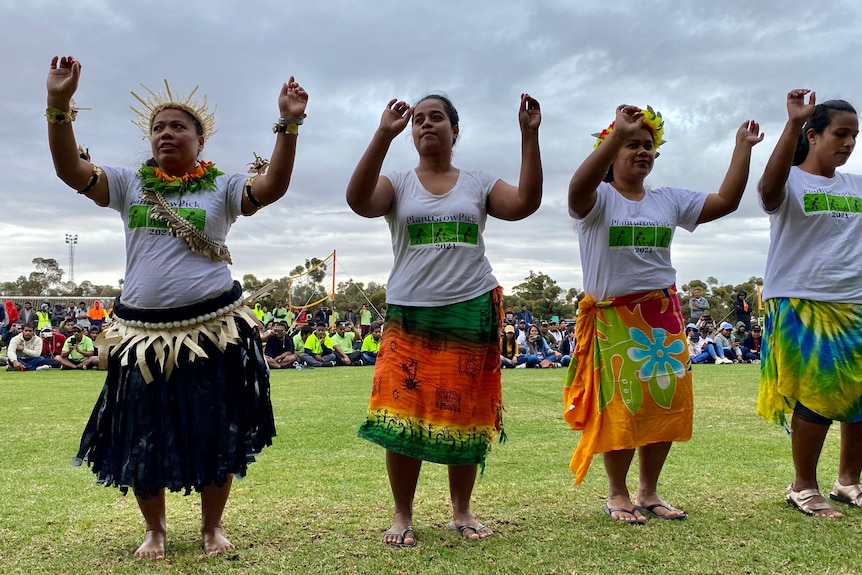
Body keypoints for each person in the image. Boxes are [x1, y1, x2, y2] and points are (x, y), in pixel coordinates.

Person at [47, 55, 308, 558]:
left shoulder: (223, 187)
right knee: (144, 431)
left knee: (215, 428)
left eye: (177, 127)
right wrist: (59, 104)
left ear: (200, 140)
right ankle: (156, 530)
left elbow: (270, 187)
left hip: (213, 330)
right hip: (140, 337)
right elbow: (69, 170)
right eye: (157, 128)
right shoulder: (128, 184)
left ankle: (213, 528)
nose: (165, 134)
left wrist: (288, 125)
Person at [347, 91, 542, 546]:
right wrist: (382, 134)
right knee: (400, 416)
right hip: (409, 314)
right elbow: (360, 200)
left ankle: (462, 510)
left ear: (455, 131)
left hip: (468, 309)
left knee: (466, 415)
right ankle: (402, 514)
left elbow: (525, 203)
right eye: (418, 119)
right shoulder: (398, 182)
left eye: (437, 118)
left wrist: (529, 135)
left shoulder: (478, 183)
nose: (426, 125)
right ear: (410, 131)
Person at [564, 103, 763, 523]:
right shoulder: (597, 200)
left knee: (664, 404)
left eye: (648, 145)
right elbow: (575, 190)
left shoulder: (668, 200)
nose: (642, 151)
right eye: (631, 144)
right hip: (613, 318)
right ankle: (617, 493)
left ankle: (649, 491)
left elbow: (726, 201)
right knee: (621, 406)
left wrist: (742, 147)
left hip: (661, 315)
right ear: (611, 150)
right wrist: (617, 133)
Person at [757, 90, 862, 518]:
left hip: (854, 302)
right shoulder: (791, 180)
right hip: (803, 300)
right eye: (841, 133)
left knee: (859, 396)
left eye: (855, 136)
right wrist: (791, 123)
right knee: (818, 394)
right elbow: (767, 192)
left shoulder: (857, 186)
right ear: (813, 135)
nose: (849, 143)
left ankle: (848, 481)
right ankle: (803, 486)